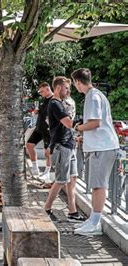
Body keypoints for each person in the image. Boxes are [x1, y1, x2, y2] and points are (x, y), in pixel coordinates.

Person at [71, 68, 119, 236]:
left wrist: (77, 127)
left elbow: (95, 123)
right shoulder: (96, 94)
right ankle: (93, 219)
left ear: (77, 82)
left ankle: (95, 222)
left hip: (102, 147)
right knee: (96, 185)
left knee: (98, 186)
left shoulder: (92, 96)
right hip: (102, 145)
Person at [43, 76, 85, 223]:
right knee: (61, 180)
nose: (68, 91)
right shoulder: (55, 103)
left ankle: (72, 212)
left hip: (69, 144)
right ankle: (46, 209)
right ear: (59, 88)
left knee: (72, 179)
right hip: (61, 146)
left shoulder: (60, 103)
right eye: (66, 88)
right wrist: (86, 125)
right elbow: (68, 123)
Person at [26, 82, 53, 179]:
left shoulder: (53, 100)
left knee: (47, 152)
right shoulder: (43, 100)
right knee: (29, 145)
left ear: (47, 89)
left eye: (42, 91)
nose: (41, 93)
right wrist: (37, 111)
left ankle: (47, 171)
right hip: (39, 127)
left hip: (48, 129)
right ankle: (35, 167)